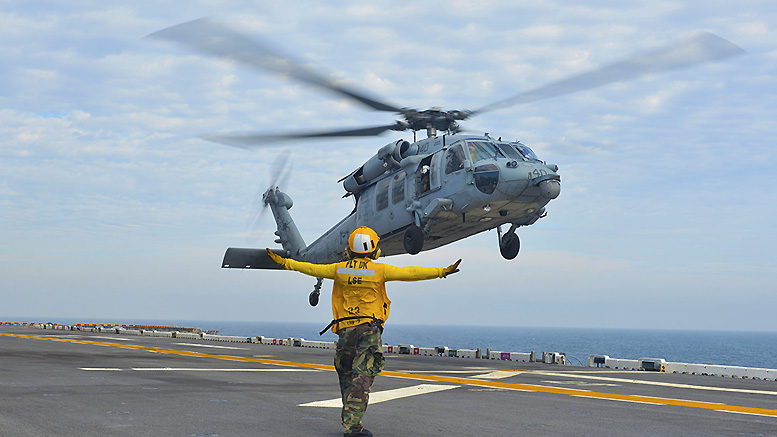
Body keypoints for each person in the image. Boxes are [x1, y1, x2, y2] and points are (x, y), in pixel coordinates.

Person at [267, 226, 461, 437]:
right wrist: (442, 272)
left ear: (349, 249)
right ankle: (352, 427)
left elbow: (309, 268)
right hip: (368, 331)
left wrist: (284, 262)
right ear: (373, 249)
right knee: (363, 377)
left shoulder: (338, 269)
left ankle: (350, 421)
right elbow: (412, 272)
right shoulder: (379, 271)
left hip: (346, 331)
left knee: (347, 375)